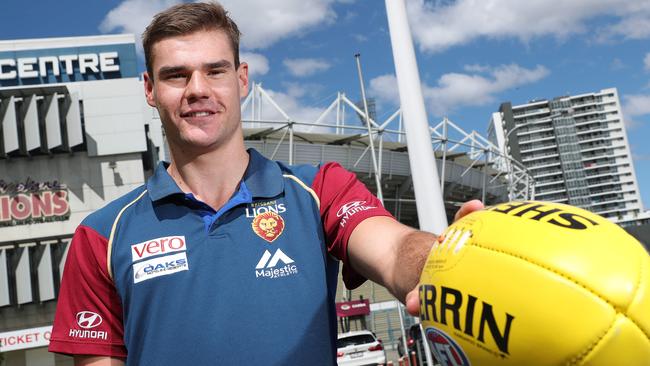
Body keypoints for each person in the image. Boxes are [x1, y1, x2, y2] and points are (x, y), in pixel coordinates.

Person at [48, 2, 482, 365]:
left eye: (215, 71)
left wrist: (443, 262)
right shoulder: (101, 235)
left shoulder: (320, 191)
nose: (197, 89)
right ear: (149, 88)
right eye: (176, 75)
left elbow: (392, 248)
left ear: (241, 79)